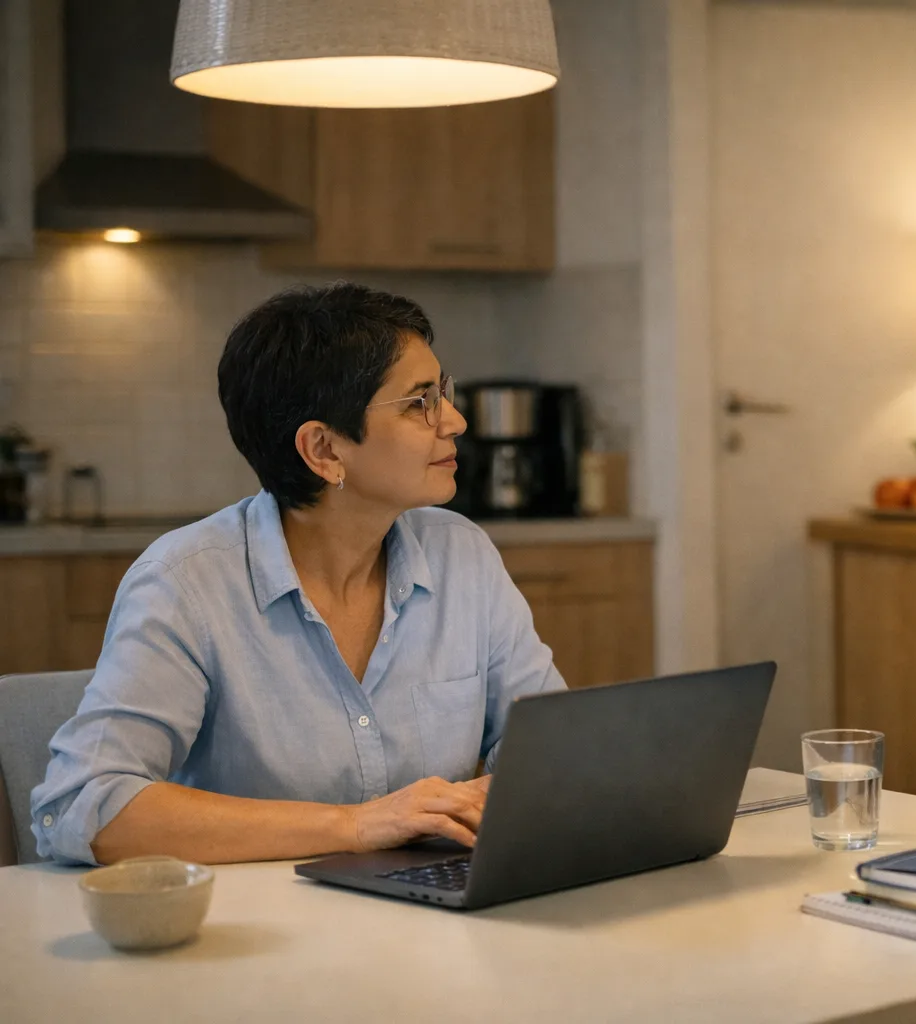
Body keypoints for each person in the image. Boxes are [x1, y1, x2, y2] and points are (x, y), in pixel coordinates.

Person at [31, 283, 565, 866]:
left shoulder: (464, 557)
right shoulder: (185, 584)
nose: (456, 421)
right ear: (324, 450)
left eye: (443, 393)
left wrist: (509, 790)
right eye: (420, 402)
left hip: (431, 922)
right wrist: (356, 825)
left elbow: (553, 746)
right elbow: (84, 804)